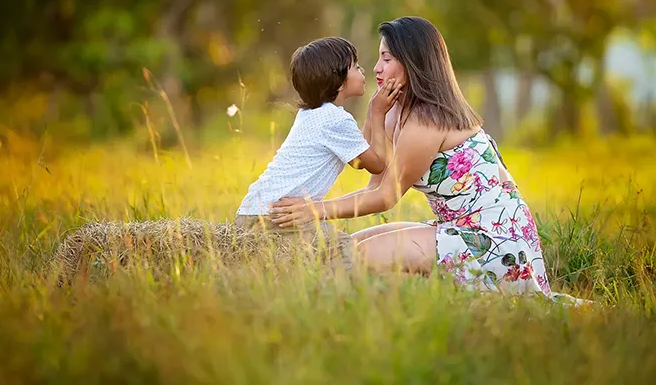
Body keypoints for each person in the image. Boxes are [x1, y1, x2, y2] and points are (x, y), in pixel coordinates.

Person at [269, 17, 563, 297]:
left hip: (492, 242)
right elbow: (373, 182)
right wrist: (375, 113)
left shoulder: (427, 119)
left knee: (351, 259)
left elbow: (386, 197)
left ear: (412, 63)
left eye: (386, 59)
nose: (375, 68)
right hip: (456, 228)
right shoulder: (396, 110)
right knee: (344, 249)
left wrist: (314, 210)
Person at [234, 37, 401, 270]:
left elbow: (356, 157)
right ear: (340, 81)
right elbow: (377, 164)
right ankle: (349, 297)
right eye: (356, 66)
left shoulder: (314, 115)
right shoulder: (335, 119)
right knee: (338, 248)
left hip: (255, 211)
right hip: (277, 216)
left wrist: (374, 112)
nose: (364, 70)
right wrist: (376, 113)